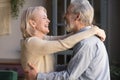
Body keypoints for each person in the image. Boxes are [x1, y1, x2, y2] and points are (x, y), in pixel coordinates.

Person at [24, 0, 110, 80]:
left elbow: (69, 76)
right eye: (44, 18)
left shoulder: (86, 43)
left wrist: (38, 76)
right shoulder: (87, 39)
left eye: (67, 13)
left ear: (77, 16)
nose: (64, 15)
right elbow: (64, 41)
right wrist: (93, 30)